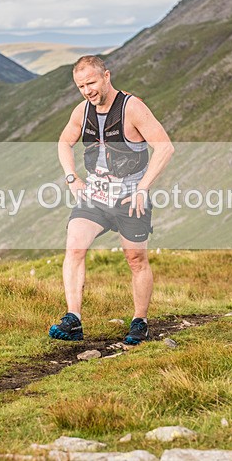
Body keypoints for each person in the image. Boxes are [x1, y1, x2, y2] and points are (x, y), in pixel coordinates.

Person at [50, 55, 174, 345]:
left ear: (106, 76)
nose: (87, 90)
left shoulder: (133, 108)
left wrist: (143, 188)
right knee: (75, 246)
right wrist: (72, 177)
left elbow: (165, 148)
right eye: (81, 86)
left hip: (130, 196)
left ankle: (139, 321)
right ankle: (73, 320)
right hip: (95, 195)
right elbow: (63, 142)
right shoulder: (82, 111)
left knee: (135, 259)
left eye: (91, 82)